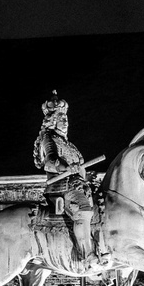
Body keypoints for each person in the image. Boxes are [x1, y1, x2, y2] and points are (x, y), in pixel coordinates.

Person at [32, 93, 104, 266]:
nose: (65, 121)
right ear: (52, 120)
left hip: (78, 186)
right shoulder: (49, 139)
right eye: (61, 118)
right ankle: (86, 254)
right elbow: (50, 161)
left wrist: (87, 176)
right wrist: (65, 168)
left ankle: (101, 248)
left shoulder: (70, 145)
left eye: (66, 118)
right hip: (62, 187)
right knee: (84, 210)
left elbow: (79, 168)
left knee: (102, 206)